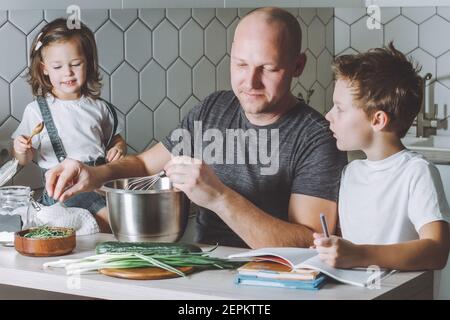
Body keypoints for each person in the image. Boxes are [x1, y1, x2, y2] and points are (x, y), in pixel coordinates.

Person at [44, 7, 347, 248]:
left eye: (268, 68)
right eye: (240, 65)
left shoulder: (317, 138)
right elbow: (143, 164)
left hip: (272, 280)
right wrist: (93, 173)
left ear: (298, 66)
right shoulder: (214, 109)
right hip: (202, 267)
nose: (250, 82)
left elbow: (309, 243)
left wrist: (218, 197)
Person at [314, 43, 450, 270]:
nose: (328, 115)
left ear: (378, 120)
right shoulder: (351, 172)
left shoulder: (417, 172)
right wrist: (330, 249)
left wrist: (358, 254)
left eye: (340, 108)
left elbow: (437, 250)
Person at [12, 18, 127, 233]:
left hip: (101, 183)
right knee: (118, 224)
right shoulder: (37, 110)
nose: (68, 72)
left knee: (120, 219)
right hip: (64, 190)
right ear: (44, 69)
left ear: (89, 62)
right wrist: (21, 150)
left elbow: (116, 139)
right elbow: (23, 160)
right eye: (58, 66)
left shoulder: (99, 108)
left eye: (76, 64)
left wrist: (118, 149)